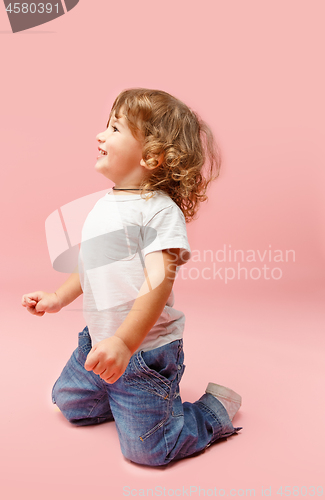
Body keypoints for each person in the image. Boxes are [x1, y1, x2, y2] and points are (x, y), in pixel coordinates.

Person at [21, 88, 242, 466]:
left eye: (114, 128)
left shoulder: (159, 212)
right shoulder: (104, 204)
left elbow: (159, 284)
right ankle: (123, 399)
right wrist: (59, 297)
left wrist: (125, 342)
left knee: (148, 451)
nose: (100, 135)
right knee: (68, 403)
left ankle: (212, 410)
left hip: (142, 352)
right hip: (101, 342)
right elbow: (92, 265)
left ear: (151, 156)